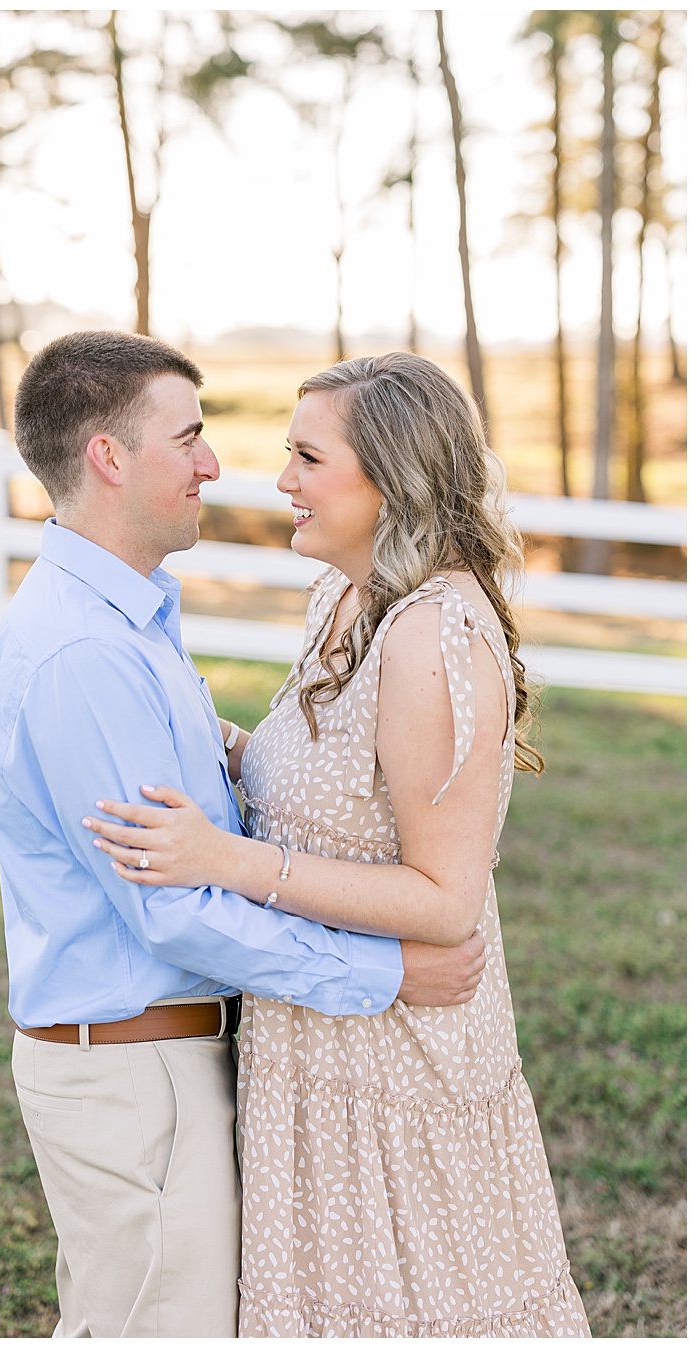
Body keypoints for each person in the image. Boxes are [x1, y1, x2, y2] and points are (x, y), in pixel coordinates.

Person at [0, 330, 489, 1337]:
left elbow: (200, 822)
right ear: (109, 457)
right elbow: (174, 911)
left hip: (156, 1066)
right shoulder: (85, 653)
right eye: (189, 438)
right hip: (135, 1079)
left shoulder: (128, 621)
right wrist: (386, 973)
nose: (214, 464)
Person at [81, 352, 589, 1336]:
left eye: (308, 458)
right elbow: (320, 782)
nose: (282, 480)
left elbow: (446, 899)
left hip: (397, 1070)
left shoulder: (432, 635)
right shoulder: (348, 597)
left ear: (392, 478)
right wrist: (197, 735)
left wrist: (224, 860)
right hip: (315, 1041)